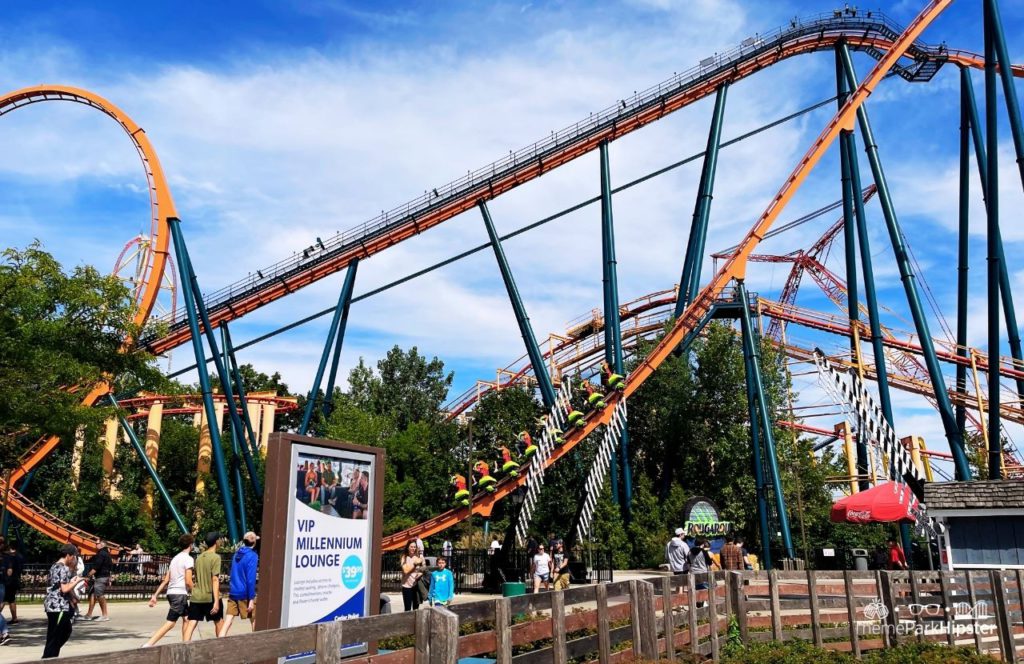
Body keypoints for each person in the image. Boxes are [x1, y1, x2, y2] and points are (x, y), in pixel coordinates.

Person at [144, 534, 195, 647]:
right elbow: (188, 581)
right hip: (179, 594)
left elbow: (166, 580)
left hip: (171, 593)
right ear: (191, 545)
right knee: (171, 623)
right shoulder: (188, 559)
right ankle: (148, 645)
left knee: (187, 619)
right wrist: (197, 591)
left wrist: (155, 595)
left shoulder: (175, 559)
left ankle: (185, 644)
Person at [43, 543, 84, 658]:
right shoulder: (64, 568)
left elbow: (60, 586)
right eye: (74, 556)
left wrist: (73, 597)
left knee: (63, 631)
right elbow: (65, 588)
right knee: (56, 635)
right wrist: (77, 581)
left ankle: (51, 654)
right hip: (58, 606)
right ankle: (48, 657)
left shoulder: (54, 566)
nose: (74, 559)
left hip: (53, 604)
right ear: (68, 555)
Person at [185, 532, 224, 640]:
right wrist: (216, 601)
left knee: (192, 622)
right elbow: (215, 579)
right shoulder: (216, 557)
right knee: (219, 622)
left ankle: (184, 646)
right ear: (216, 542)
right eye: (220, 539)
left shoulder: (199, 558)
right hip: (209, 596)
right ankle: (221, 647)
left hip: (197, 596)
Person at [221, 531, 259, 636]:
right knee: (254, 620)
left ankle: (219, 641)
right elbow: (251, 579)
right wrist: (251, 599)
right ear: (254, 542)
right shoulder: (253, 556)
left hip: (234, 591)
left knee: (228, 621)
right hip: (245, 593)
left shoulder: (236, 554)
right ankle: (258, 643)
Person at [83, 541, 113, 621]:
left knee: (100, 595)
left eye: (97, 543)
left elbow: (96, 566)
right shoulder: (106, 553)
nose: (95, 545)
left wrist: (88, 575)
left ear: (102, 545)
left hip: (101, 577)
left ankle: (105, 615)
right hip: (102, 576)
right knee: (92, 594)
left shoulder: (101, 554)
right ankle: (89, 615)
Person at [400, 540, 425, 611]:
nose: (413, 548)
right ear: (408, 547)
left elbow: (424, 569)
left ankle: (415, 622)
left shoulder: (418, 557)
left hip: (416, 586)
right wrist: (415, 564)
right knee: (407, 609)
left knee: (416, 609)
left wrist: (421, 573)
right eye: (411, 547)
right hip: (407, 586)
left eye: (414, 547)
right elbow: (405, 571)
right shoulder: (404, 557)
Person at [2, 542, 23, 623]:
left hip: (8, 580)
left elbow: (9, 570)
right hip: (15, 579)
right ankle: (14, 618)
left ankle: (14, 618)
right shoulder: (20, 556)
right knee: (11, 599)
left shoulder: (10, 557)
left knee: (3, 599)